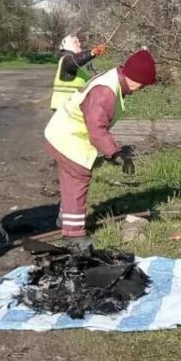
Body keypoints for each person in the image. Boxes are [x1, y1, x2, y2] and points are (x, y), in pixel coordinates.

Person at [43, 48, 157, 241]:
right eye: (143, 85)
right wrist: (115, 153)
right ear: (134, 78)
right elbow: (97, 131)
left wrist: (114, 149)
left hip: (63, 132)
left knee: (71, 181)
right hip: (68, 137)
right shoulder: (105, 92)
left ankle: (66, 219)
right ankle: (73, 236)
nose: (142, 90)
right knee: (79, 178)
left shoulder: (113, 79)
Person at [50, 34, 107, 110]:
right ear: (68, 45)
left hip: (71, 107)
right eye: (75, 42)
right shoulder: (66, 59)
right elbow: (76, 61)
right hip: (65, 107)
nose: (79, 44)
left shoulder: (75, 63)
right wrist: (92, 53)